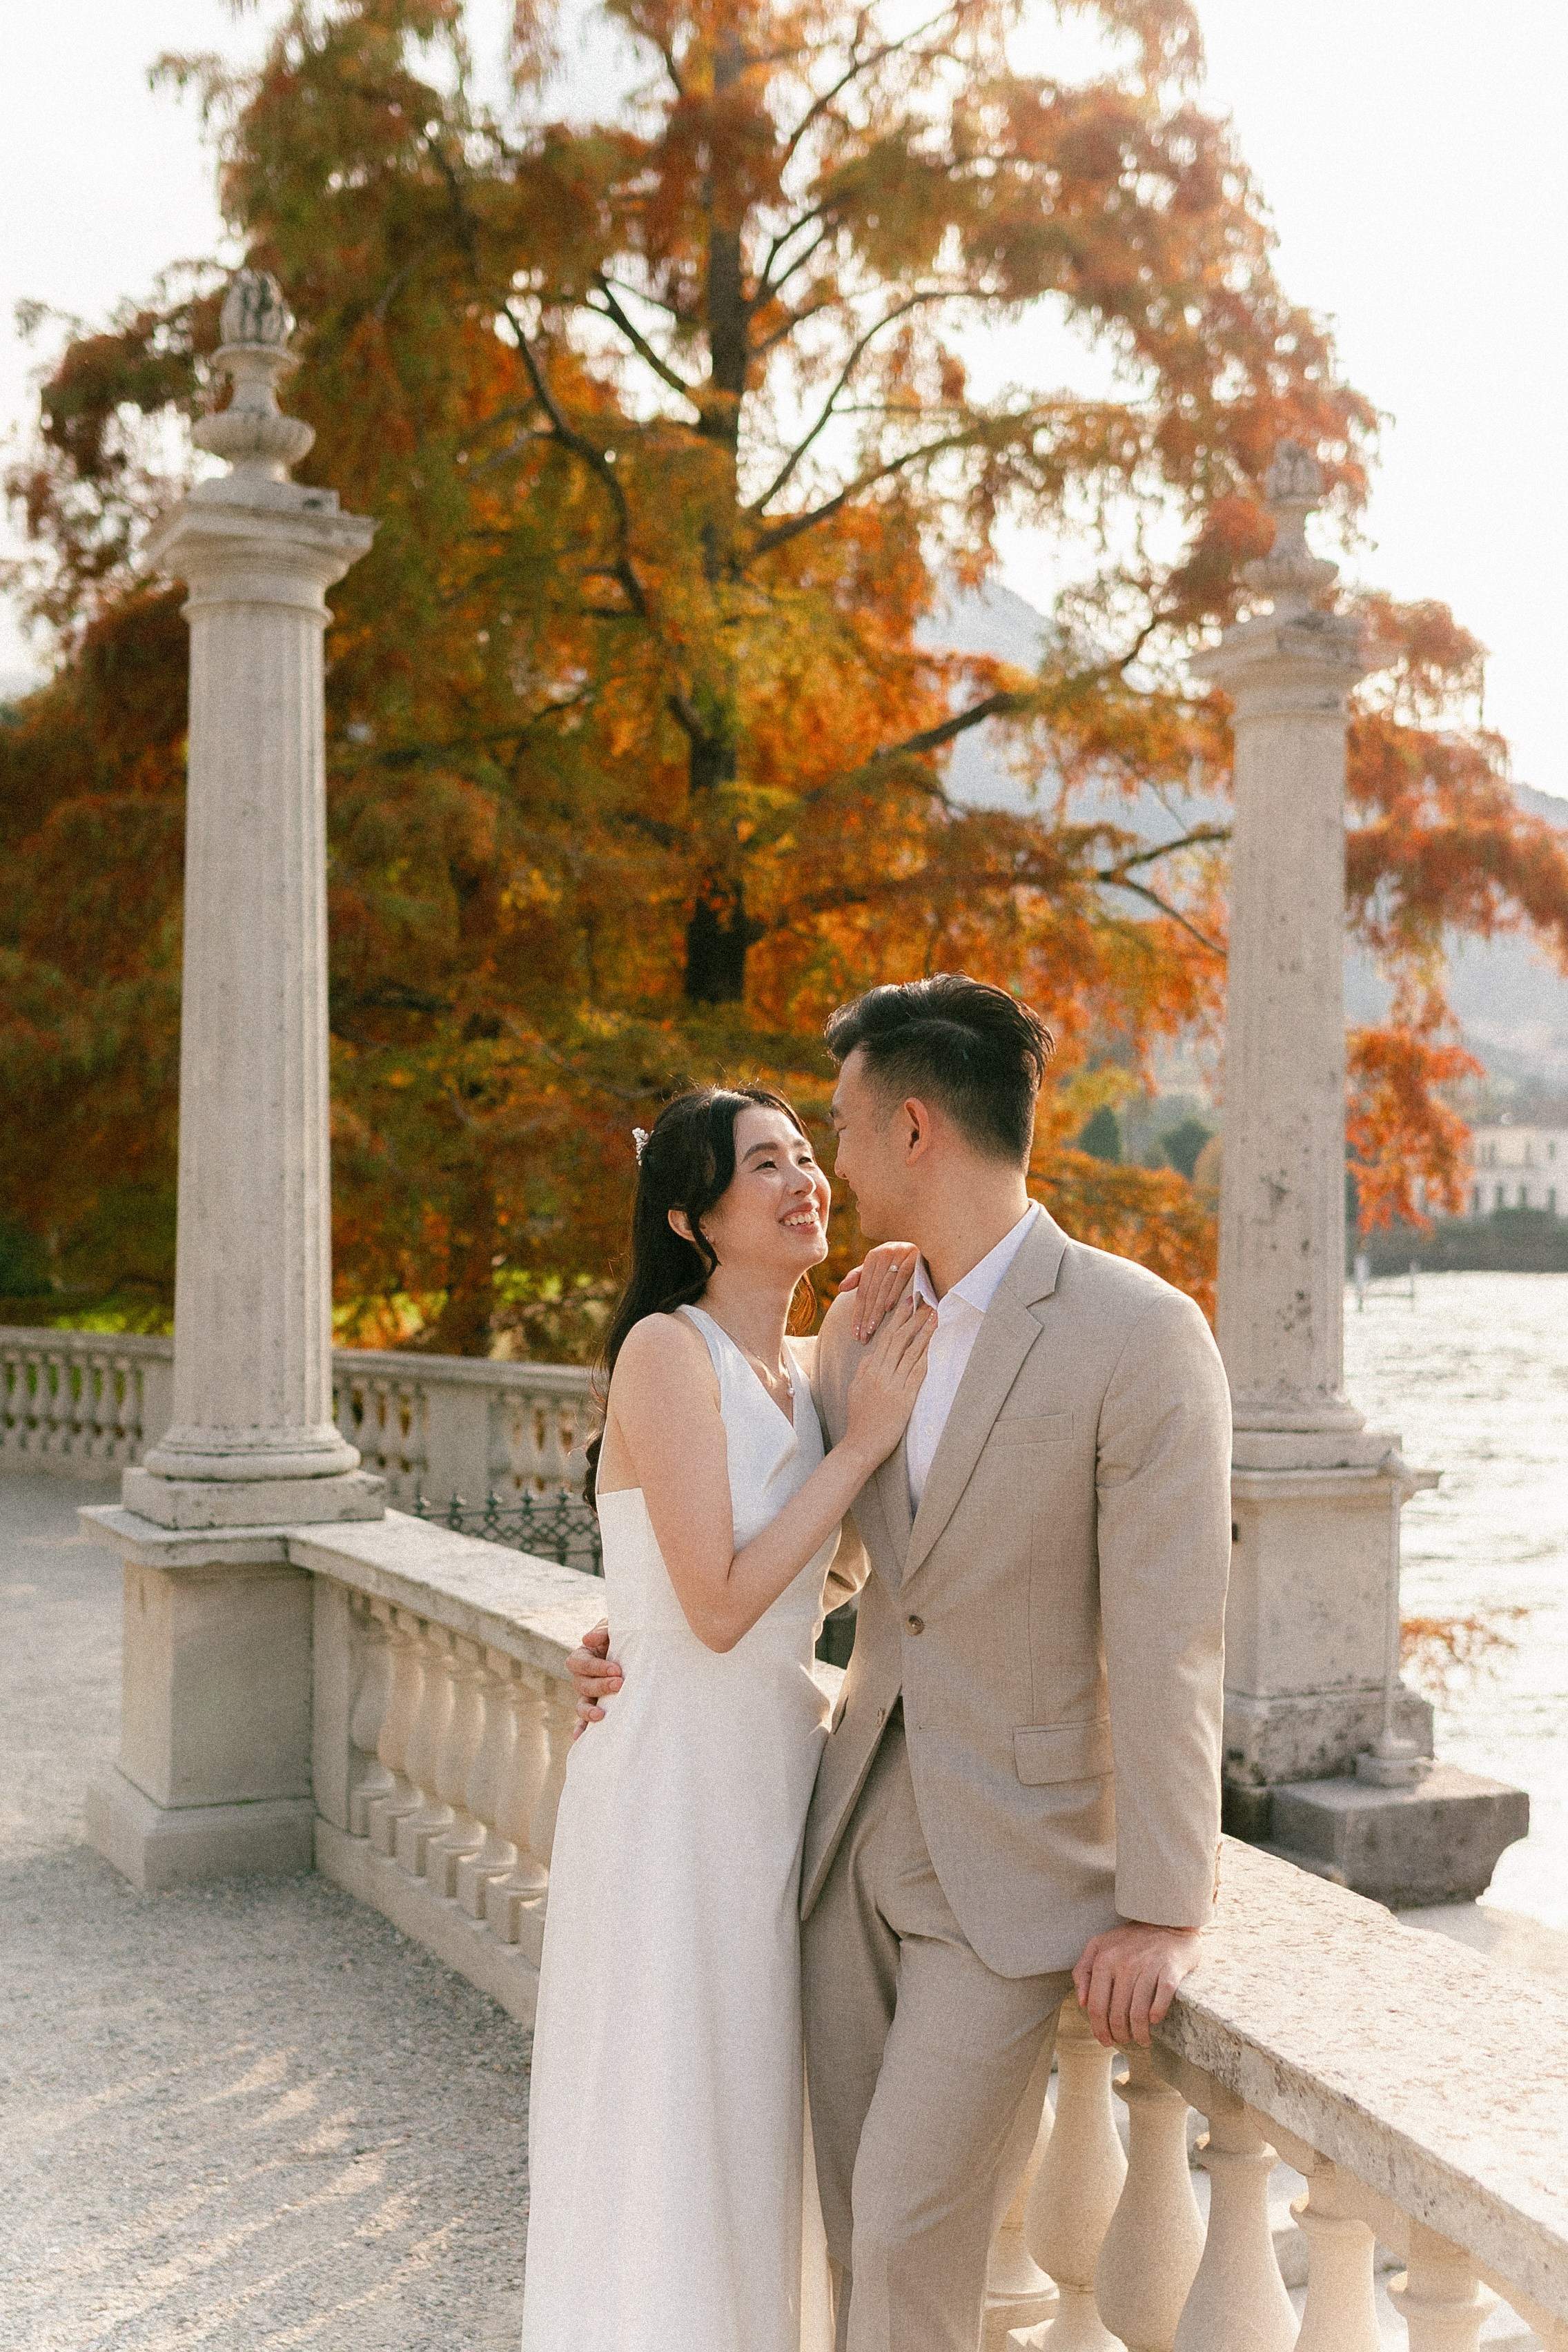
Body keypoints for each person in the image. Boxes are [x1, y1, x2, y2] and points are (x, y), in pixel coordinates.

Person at [569, 974, 1233, 2352]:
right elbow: (837, 1563)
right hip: (838, 1838)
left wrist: (1166, 1906)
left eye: (840, 1128)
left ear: (914, 1130)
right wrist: (630, 1637)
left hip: (1018, 1862)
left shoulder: (1140, 1332)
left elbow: (1171, 1643)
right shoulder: (858, 1335)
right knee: (851, 2232)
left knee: (910, 2225)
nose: (829, 1158)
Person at [520, 1084, 933, 2352]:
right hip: (671, 1791)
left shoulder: (803, 1373)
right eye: (766, 1165)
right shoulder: (663, 1349)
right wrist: (863, 1448)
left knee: (757, 2112)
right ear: (694, 1216)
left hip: (772, 1779)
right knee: (666, 2108)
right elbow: (712, 1605)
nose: (805, 1178)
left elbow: (822, 1584)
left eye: (810, 1155)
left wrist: (884, 1323)